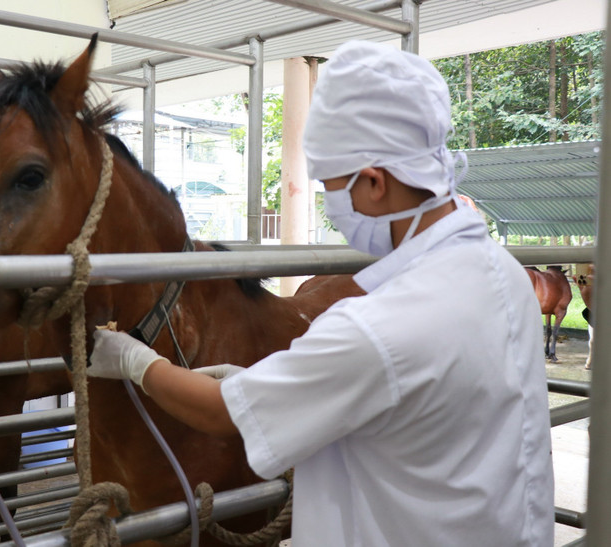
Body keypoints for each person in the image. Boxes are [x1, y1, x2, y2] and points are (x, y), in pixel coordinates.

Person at [87, 40, 554, 546]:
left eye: (332, 186)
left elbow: (224, 413)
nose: (331, 204)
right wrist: (262, 382)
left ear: (374, 182)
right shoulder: (502, 272)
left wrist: (136, 361)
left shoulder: (379, 329)